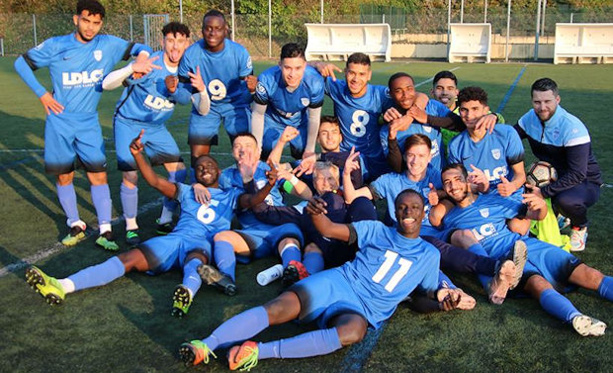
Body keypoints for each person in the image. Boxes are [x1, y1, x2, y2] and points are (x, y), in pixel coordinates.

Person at [178, 189, 468, 370]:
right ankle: (206, 344)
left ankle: (259, 351)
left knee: (354, 332)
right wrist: (316, 213)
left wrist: (442, 304)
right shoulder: (376, 230)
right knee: (278, 309)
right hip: (338, 282)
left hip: (361, 310)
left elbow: (421, 299)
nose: (407, 212)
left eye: (414, 208)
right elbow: (329, 227)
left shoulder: (429, 255)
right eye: (402, 207)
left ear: (423, 212)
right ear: (394, 210)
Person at [24, 130, 275, 318]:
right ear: (194, 174)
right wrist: (138, 155)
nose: (205, 169)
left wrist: (271, 184)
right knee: (129, 259)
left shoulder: (230, 196)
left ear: (219, 171)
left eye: (210, 166)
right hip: (174, 240)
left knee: (196, 262)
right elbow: (154, 181)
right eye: (199, 168)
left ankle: (186, 294)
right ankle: (63, 285)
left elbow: (253, 200)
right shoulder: (185, 190)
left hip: (203, 244)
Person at [13, 0, 153, 250]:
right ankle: (75, 223)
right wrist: (42, 93)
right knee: (64, 175)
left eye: (96, 23)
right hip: (59, 122)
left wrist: (141, 60)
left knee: (97, 175)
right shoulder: (57, 45)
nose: (90, 28)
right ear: (75, 19)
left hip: (88, 122)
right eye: (86, 21)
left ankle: (105, 230)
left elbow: (141, 47)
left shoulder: (108, 44)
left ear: (101, 24)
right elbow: (20, 63)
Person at [432, 163, 613, 336]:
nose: (453, 186)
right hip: (505, 262)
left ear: (467, 181)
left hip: (528, 246)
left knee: (589, 274)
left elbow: (535, 215)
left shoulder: (493, 199)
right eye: (447, 183)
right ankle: (576, 318)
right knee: (537, 284)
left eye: (457, 179)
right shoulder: (449, 219)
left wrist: (540, 206)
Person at [101, 22, 209, 245]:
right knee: (131, 174)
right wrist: (132, 68)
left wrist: (198, 89)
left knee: (178, 171)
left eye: (180, 41)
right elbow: (106, 84)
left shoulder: (189, 69)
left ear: (187, 43)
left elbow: (202, 108)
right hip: (128, 123)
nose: (175, 46)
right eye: (170, 40)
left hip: (157, 128)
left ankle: (165, 219)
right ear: (163, 42)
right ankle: (131, 226)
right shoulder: (150, 61)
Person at [208, 133, 308, 292]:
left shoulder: (269, 170)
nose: (242, 150)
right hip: (252, 235)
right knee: (222, 237)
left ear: (257, 151)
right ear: (232, 151)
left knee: (289, 239)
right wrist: (198, 187)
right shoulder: (226, 177)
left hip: (279, 226)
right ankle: (226, 279)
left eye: (248, 146)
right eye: (237, 146)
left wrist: (290, 178)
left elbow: (303, 193)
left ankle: (292, 271)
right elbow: (210, 195)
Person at [514, 78, 602, 252]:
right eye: (537, 102)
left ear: (557, 100)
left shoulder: (572, 127)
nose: (542, 107)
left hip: (584, 180)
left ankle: (579, 226)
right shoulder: (530, 118)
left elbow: (577, 173)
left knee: (567, 201)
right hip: (550, 176)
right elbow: (512, 136)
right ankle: (558, 214)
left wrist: (543, 192)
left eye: (547, 101)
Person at [310, 54, 428, 181]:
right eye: (352, 73)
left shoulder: (379, 94)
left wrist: (408, 118)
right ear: (345, 72)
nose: (356, 79)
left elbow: (421, 97)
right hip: (347, 156)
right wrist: (317, 64)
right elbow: (302, 68)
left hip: (375, 158)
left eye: (362, 74)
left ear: (369, 75)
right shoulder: (337, 88)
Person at [178, 9, 256, 180]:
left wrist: (252, 90)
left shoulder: (239, 52)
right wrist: (176, 91)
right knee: (197, 158)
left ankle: (247, 194)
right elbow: (183, 92)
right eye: (208, 28)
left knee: (245, 155)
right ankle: (196, 198)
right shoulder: (191, 54)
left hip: (236, 105)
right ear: (202, 30)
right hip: (206, 107)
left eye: (217, 28)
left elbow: (249, 89)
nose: (212, 32)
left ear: (226, 30)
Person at [447, 86, 526, 199]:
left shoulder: (507, 134)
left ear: (486, 110)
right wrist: (482, 188)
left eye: (475, 109)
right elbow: (460, 185)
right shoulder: (455, 145)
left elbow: (520, 174)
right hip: (478, 200)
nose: (469, 115)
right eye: (464, 110)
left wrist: (512, 186)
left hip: (509, 197)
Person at [251, 43, 324, 160]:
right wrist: (257, 147)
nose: (292, 74)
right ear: (280, 65)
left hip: (299, 122)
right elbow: (258, 114)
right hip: (273, 120)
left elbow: (314, 117)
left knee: (302, 152)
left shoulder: (315, 82)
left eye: (298, 68)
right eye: (287, 68)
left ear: (305, 66)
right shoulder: (267, 79)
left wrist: (310, 149)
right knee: (264, 150)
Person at [430, 70, 505, 151]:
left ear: (456, 92)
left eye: (450, 88)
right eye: (439, 88)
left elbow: (497, 120)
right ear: (432, 92)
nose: (444, 92)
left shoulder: (467, 113)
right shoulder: (428, 112)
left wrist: (495, 116)